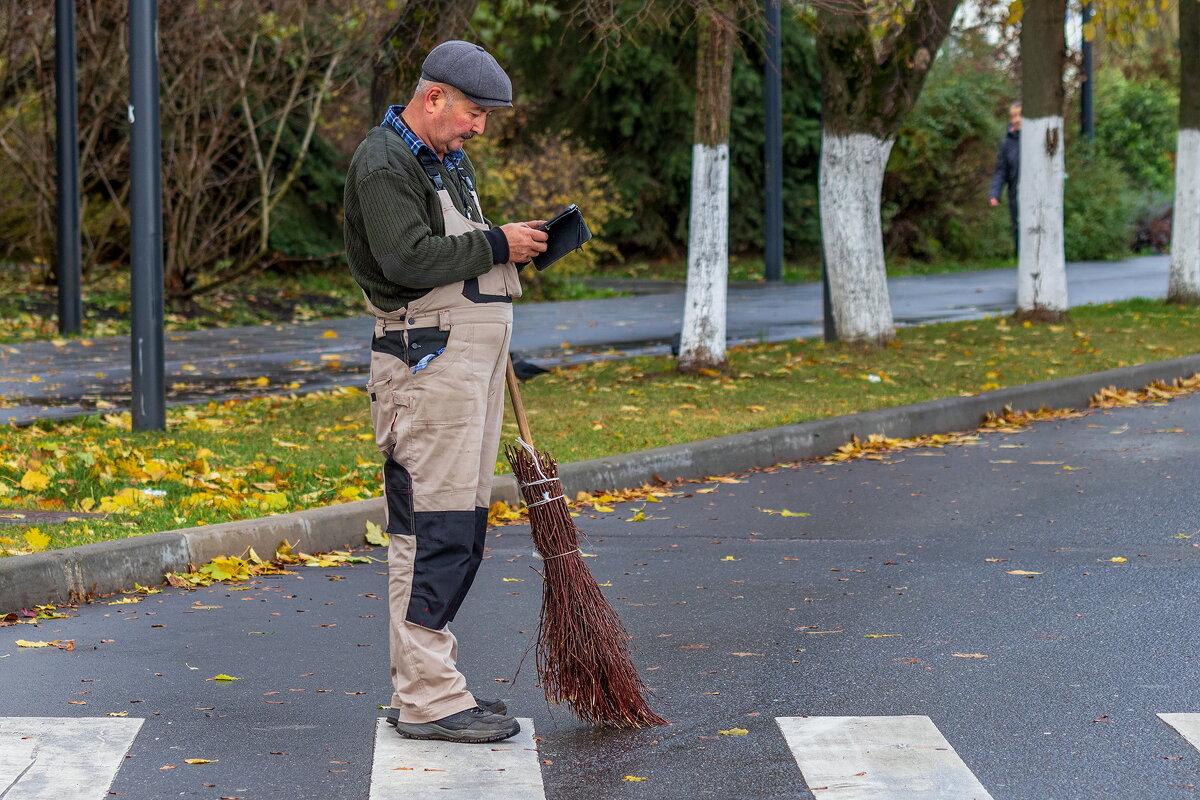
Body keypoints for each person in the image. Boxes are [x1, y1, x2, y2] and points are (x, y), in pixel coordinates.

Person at [343, 40, 547, 744]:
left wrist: (507, 250)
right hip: (427, 367)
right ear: (433, 99)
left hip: (457, 364)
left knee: (447, 529)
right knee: (436, 533)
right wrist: (499, 246)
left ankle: (428, 687)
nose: (479, 128)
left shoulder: (438, 161)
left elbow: (447, 251)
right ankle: (430, 700)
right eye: (473, 113)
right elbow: (405, 258)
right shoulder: (384, 162)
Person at [989, 102, 1021, 258]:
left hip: (1035, 193)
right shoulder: (1007, 143)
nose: (1016, 120)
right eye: (1013, 116)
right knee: (1018, 226)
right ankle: (1020, 258)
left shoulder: (1035, 139)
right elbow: (1002, 170)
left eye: (1019, 115)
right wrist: (995, 193)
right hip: (1016, 192)